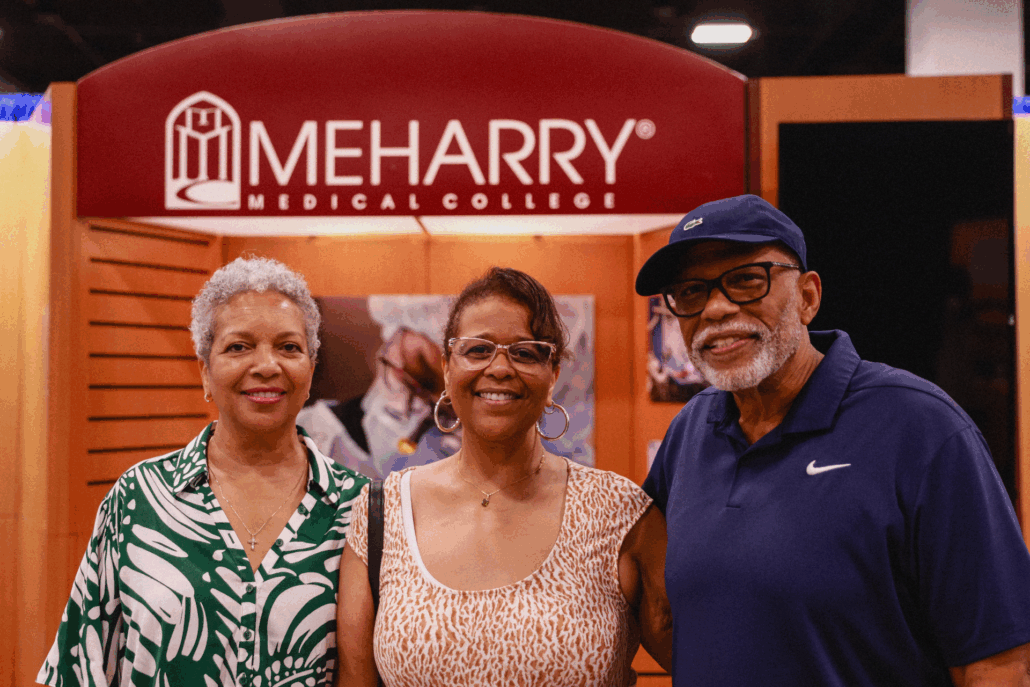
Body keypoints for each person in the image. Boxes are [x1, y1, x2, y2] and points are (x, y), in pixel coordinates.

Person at [634, 194, 1030, 686]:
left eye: (745, 281)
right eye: (690, 292)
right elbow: (661, 607)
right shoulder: (689, 433)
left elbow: (998, 661)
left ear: (807, 297)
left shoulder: (920, 427)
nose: (715, 308)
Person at [38, 257, 369, 687]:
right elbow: (76, 668)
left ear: (309, 372)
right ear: (205, 372)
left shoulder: (360, 508)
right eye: (239, 347)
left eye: (289, 347)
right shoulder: (138, 499)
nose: (267, 365)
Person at [335, 267, 672, 686]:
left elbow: (712, 660)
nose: (499, 368)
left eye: (525, 353)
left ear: (553, 376)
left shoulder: (620, 514)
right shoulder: (382, 515)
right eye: (477, 350)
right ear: (446, 367)